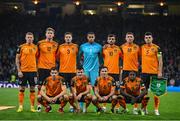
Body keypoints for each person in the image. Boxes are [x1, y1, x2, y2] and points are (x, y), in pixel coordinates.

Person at [78, 32, 103, 109]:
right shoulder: (83, 46)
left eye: (92, 37)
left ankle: (97, 107)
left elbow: (101, 57)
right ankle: (81, 106)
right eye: (89, 37)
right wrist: (80, 65)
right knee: (83, 87)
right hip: (85, 69)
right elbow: (79, 56)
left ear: (94, 37)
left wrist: (101, 65)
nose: (91, 38)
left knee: (95, 87)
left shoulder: (99, 46)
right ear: (87, 37)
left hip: (95, 69)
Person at [141, 32, 163, 115]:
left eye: (149, 37)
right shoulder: (141, 47)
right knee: (144, 92)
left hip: (154, 73)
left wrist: (160, 71)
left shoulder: (157, 48)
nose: (148, 39)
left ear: (152, 38)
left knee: (156, 92)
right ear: (144, 39)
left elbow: (160, 61)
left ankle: (156, 109)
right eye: (146, 37)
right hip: (144, 73)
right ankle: (144, 108)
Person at [37, 27, 58, 111]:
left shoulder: (56, 44)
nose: (49, 34)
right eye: (48, 33)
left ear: (53, 35)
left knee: (50, 87)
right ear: (46, 34)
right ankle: (39, 105)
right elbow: (36, 55)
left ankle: (47, 105)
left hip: (51, 69)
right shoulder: (40, 43)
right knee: (40, 87)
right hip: (42, 68)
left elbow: (56, 56)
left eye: (51, 33)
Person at [16, 32, 38, 112]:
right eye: (28, 37)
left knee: (32, 89)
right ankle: (20, 106)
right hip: (23, 71)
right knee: (22, 88)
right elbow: (17, 59)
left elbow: (37, 59)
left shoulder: (35, 47)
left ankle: (32, 107)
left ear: (33, 38)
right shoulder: (21, 47)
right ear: (25, 38)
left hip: (33, 71)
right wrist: (19, 71)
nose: (29, 38)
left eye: (31, 37)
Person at [120, 32, 140, 113]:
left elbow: (139, 57)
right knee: (122, 89)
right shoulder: (122, 47)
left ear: (133, 38)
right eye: (128, 37)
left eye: (131, 37)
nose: (129, 38)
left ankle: (135, 108)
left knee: (136, 90)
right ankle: (123, 107)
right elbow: (120, 57)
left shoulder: (137, 47)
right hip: (125, 70)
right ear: (125, 38)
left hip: (134, 70)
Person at [102, 34, 122, 112]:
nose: (111, 40)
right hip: (106, 73)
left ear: (115, 40)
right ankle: (104, 106)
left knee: (117, 90)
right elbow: (101, 57)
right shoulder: (104, 49)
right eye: (109, 39)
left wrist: (121, 69)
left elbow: (122, 59)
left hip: (116, 73)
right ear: (107, 40)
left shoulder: (118, 49)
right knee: (105, 90)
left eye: (112, 39)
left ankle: (116, 107)